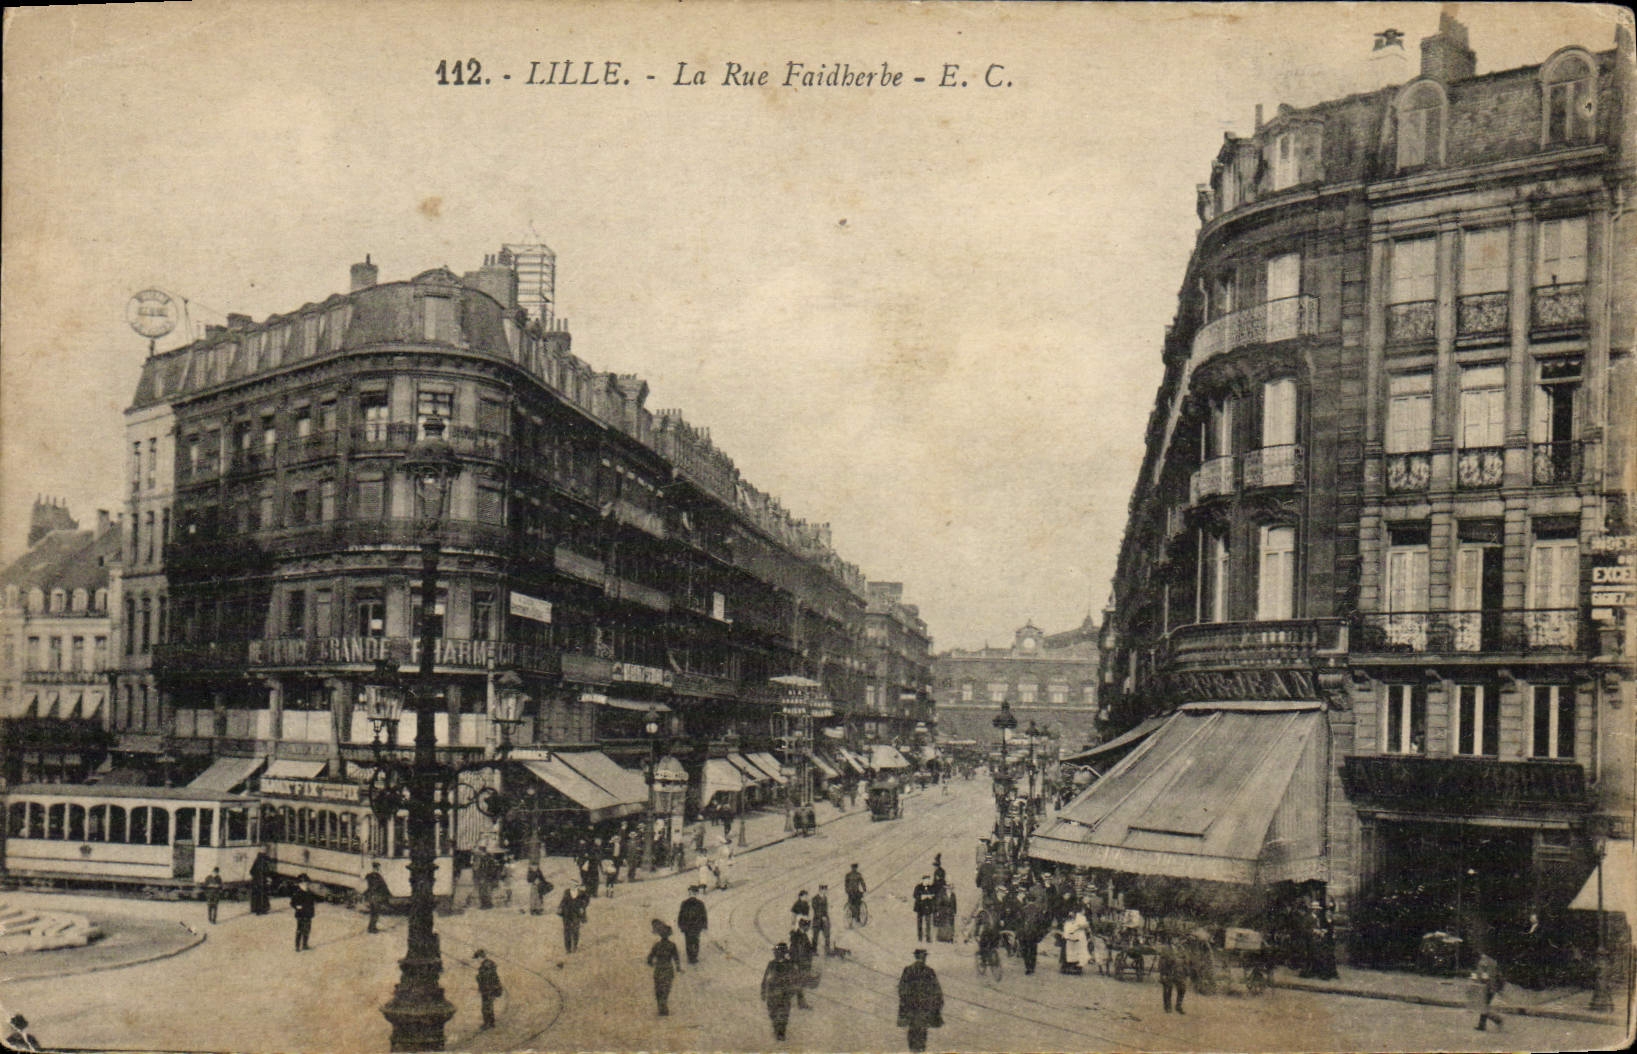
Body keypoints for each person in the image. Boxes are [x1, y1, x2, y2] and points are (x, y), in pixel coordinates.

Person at [896, 948, 944, 1054]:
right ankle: (920, 1049)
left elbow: (902, 988)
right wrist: (938, 1003)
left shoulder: (908, 970)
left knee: (913, 1028)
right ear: (924, 957)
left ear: (915, 956)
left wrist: (905, 1001)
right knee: (922, 1029)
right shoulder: (929, 971)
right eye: (924, 956)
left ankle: (913, 1049)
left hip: (911, 1006)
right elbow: (936, 989)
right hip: (924, 1006)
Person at [760, 944, 798, 1043]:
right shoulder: (771, 964)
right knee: (773, 1013)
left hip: (784, 994)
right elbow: (765, 978)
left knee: (784, 1014)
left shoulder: (789, 964)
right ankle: (776, 1029)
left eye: (777, 952)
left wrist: (792, 991)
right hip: (772, 993)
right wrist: (763, 991)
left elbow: (795, 979)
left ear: (783, 953)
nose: (775, 954)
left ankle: (781, 1033)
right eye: (775, 952)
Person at [646, 919, 682, 1016]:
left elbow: (649, 958)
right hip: (668, 969)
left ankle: (660, 1006)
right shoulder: (672, 945)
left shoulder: (657, 945)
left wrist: (651, 963)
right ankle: (664, 1004)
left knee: (658, 989)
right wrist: (678, 967)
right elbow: (676, 958)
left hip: (658, 969)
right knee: (666, 988)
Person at [1472, 952, 1505, 1031]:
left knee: (1484, 1006)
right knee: (1484, 1005)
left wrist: (1487, 985)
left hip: (1487, 987)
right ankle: (1482, 1025)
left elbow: (1486, 976)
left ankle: (1497, 1020)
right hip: (1489, 987)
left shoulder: (1485, 962)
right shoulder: (1490, 961)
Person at [789, 918, 817, 1009]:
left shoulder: (802, 935)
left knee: (799, 984)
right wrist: (795, 963)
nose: (809, 928)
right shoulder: (798, 937)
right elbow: (793, 951)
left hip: (803, 964)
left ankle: (800, 1003)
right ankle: (800, 1003)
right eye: (808, 926)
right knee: (798, 984)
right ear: (803, 926)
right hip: (799, 964)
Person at [677, 885, 709, 964]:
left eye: (693, 893)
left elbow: (703, 915)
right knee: (693, 941)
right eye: (691, 893)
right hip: (692, 927)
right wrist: (704, 925)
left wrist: (681, 925)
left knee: (691, 941)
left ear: (695, 894)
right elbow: (681, 915)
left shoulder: (689, 903)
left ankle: (692, 957)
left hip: (692, 927)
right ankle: (692, 957)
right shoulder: (697, 903)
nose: (692, 894)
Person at [474, 949, 503, 1030]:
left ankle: (487, 1023)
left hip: (488, 989)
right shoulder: (488, 965)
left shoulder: (485, 966)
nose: (476, 961)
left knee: (486, 1007)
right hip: (490, 989)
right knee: (489, 1006)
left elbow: (486, 979)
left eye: (477, 959)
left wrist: (478, 977)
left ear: (480, 957)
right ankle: (491, 1023)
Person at [1158, 937, 1188, 1014]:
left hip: (1180, 972)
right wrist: (1163, 973)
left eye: (1178, 939)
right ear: (1171, 940)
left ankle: (1178, 1006)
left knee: (1182, 988)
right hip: (1169, 971)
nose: (1177, 940)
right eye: (1175, 938)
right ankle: (1167, 1007)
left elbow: (1186, 959)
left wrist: (1185, 970)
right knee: (1168, 989)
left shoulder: (1181, 949)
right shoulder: (1166, 949)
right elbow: (1162, 962)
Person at [290, 874, 318, 952]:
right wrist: (297, 906)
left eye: (307, 883)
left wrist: (312, 909)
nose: (306, 885)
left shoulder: (309, 893)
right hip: (301, 914)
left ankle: (305, 944)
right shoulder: (297, 893)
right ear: (299, 884)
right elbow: (292, 903)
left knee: (307, 930)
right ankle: (297, 946)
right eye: (304, 883)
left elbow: (312, 902)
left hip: (308, 914)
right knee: (300, 930)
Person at [1060, 908, 1090, 975]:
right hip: (1071, 938)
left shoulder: (1081, 918)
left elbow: (1085, 926)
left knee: (1080, 952)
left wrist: (1079, 926)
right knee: (1070, 952)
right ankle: (1068, 967)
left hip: (1080, 937)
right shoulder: (1068, 920)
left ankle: (1078, 968)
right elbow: (1067, 928)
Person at [559, 884, 586, 953]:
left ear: (577, 886)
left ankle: (574, 946)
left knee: (575, 930)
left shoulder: (581, 893)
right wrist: (560, 908)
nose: (573, 886)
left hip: (576, 914)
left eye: (575, 885)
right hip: (567, 914)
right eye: (571, 885)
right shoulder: (567, 892)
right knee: (567, 931)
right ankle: (568, 948)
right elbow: (563, 901)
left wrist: (582, 908)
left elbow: (585, 902)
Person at [364, 862, 391, 933]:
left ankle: (370, 927)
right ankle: (372, 928)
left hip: (371, 896)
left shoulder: (369, 876)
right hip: (376, 897)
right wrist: (388, 894)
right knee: (376, 913)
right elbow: (383, 886)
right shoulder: (378, 877)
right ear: (377, 868)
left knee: (372, 912)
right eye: (378, 868)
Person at [913, 874, 937, 941]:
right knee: (920, 923)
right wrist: (922, 897)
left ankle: (928, 938)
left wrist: (931, 897)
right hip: (920, 907)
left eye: (928, 880)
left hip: (928, 907)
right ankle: (920, 937)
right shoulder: (918, 887)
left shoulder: (931, 887)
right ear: (923, 880)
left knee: (928, 923)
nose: (927, 882)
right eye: (926, 880)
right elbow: (915, 895)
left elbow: (934, 895)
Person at [249, 850, 272, 915]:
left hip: (256, 882)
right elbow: (267, 872)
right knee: (263, 896)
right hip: (262, 882)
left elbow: (251, 871)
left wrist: (255, 877)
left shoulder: (256, 862)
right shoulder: (264, 864)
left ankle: (257, 910)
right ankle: (263, 909)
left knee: (257, 896)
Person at [811, 884, 832, 956]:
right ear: (820, 890)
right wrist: (822, 916)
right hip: (817, 920)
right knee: (815, 936)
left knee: (827, 935)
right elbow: (815, 909)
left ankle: (827, 950)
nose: (826, 891)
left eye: (826, 890)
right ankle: (813, 951)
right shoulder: (815, 898)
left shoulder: (825, 898)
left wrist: (826, 918)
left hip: (824, 920)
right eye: (824, 890)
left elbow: (825, 910)